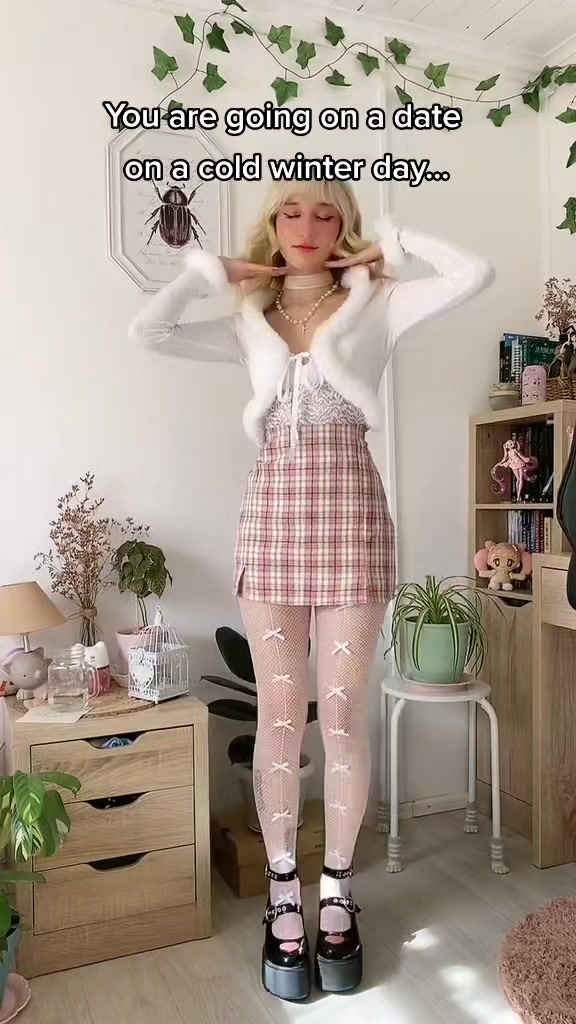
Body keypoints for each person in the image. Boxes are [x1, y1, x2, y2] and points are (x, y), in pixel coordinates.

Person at [129, 179, 493, 1000]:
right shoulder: (247, 314)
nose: (307, 224)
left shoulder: (379, 302)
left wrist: (397, 244)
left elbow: (475, 274)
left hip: (353, 525)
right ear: (272, 223)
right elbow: (147, 330)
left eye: (327, 213)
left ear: (345, 229)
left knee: (345, 719)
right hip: (272, 525)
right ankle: (283, 893)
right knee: (282, 718)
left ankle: (336, 891)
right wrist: (210, 273)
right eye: (291, 211)